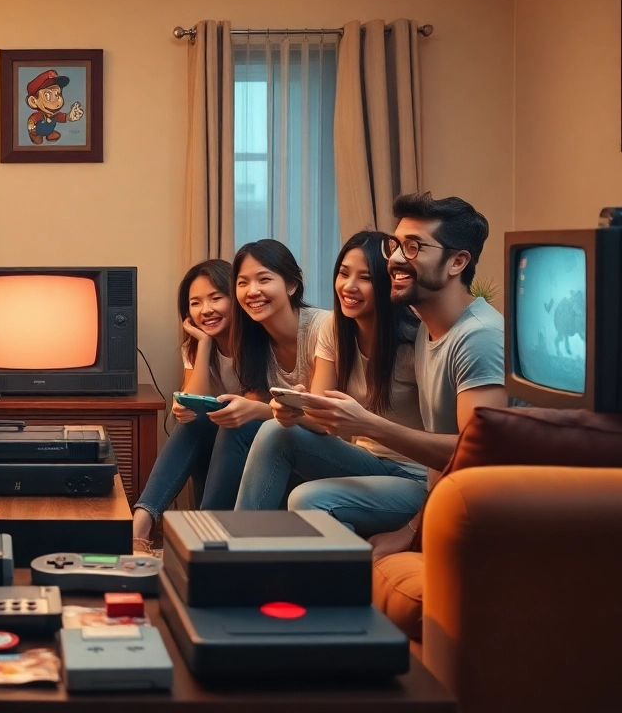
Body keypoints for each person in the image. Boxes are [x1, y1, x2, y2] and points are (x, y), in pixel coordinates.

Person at [297, 192, 506, 556]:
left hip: (480, 507)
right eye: (395, 245)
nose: (393, 259)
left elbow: (475, 455)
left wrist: (368, 424)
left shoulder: (480, 337)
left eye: (413, 247)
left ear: (458, 261)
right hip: (433, 491)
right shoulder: (427, 328)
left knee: (311, 500)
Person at [232, 231, 428, 536]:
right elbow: (323, 421)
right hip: (367, 460)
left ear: (389, 282)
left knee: (307, 499)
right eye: (343, 273)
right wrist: (295, 410)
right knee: (275, 429)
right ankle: (235, 548)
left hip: (415, 478)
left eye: (365, 277)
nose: (349, 286)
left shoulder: (416, 339)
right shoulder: (335, 330)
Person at [190, 240, 330, 512]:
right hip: (284, 440)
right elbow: (255, 402)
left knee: (255, 426)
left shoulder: (322, 327)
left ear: (291, 285)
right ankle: (196, 529)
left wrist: (256, 410)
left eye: (263, 279)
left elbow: (323, 419)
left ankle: (211, 532)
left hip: (329, 444)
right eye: (242, 283)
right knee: (210, 426)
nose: (252, 291)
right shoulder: (253, 339)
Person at [130, 260, 238, 553]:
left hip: (252, 438)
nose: (206, 310)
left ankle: (191, 536)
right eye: (195, 303)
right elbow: (191, 401)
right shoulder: (196, 346)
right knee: (194, 422)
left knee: (211, 423)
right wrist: (203, 344)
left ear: (235, 297)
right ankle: (141, 526)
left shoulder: (255, 343)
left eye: (216, 297)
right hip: (217, 437)